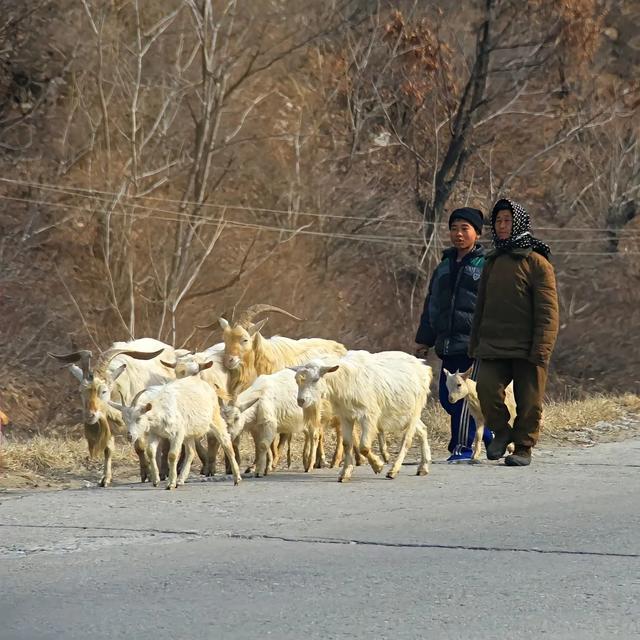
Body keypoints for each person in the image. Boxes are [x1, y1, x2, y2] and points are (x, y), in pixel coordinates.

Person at [469, 198, 559, 466]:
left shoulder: (537, 262)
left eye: (507, 220)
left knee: (529, 402)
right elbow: (481, 306)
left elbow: (548, 310)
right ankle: (502, 432)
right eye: (498, 221)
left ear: (518, 223)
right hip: (494, 344)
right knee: (485, 390)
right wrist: (475, 343)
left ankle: (523, 447)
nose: (502, 225)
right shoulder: (492, 261)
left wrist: (542, 347)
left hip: (528, 346)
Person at [415, 206, 493, 462]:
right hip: (446, 344)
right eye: (454, 228)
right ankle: (489, 434)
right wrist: (424, 340)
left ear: (477, 234)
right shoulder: (444, 266)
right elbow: (432, 304)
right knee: (448, 400)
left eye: (465, 229)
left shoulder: (486, 265)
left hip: (472, 345)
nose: (458, 234)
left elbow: (493, 304)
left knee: (462, 400)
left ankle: (462, 448)